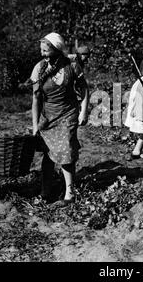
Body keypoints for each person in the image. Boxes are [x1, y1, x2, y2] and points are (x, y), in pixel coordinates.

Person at [30, 32, 89, 205]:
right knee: (49, 154)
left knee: (66, 149)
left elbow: (84, 89)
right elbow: (35, 99)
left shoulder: (71, 66)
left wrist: (83, 111)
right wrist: (35, 125)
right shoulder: (39, 69)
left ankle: (70, 193)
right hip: (48, 116)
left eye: (46, 51)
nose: (42, 54)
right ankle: (46, 190)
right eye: (41, 50)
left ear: (56, 49)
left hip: (68, 113)